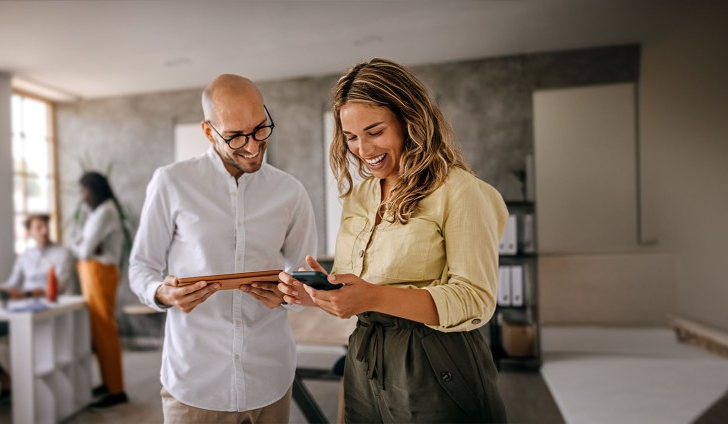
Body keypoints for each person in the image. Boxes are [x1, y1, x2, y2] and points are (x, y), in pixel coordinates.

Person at [277, 58, 509, 423]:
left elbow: (475, 299)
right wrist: (315, 295)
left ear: (410, 121)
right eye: (351, 137)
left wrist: (372, 296)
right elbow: (356, 284)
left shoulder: (460, 191)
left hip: (436, 360)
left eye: (375, 131)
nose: (363, 150)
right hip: (365, 357)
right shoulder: (360, 196)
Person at [129, 74, 317, 423]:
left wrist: (293, 293)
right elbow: (141, 267)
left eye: (261, 129)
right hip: (196, 383)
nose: (252, 145)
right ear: (207, 131)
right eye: (235, 136)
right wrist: (163, 293)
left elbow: (304, 275)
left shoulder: (291, 191)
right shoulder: (171, 183)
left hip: (270, 378)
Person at [0, 214, 74, 407]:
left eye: (46, 226)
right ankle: (5, 382)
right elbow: (12, 284)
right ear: (29, 232)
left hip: (43, 315)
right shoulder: (24, 257)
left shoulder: (62, 253)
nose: (44, 231)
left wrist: (24, 294)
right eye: (38, 227)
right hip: (16, 313)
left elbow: (57, 288)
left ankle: (30, 397)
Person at [70, 171, 130, 407]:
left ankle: (116, 390)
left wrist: (83, 246)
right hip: (94, 273)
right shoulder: (98, 211)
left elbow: (82, 249)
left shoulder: (105, 211)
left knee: (104, 330)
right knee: (99, 330)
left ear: (94, 189)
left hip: (100, 274)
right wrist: (83, 246)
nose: (83, 196)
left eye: (84, 190)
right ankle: (108, 384)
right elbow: (80, 244)